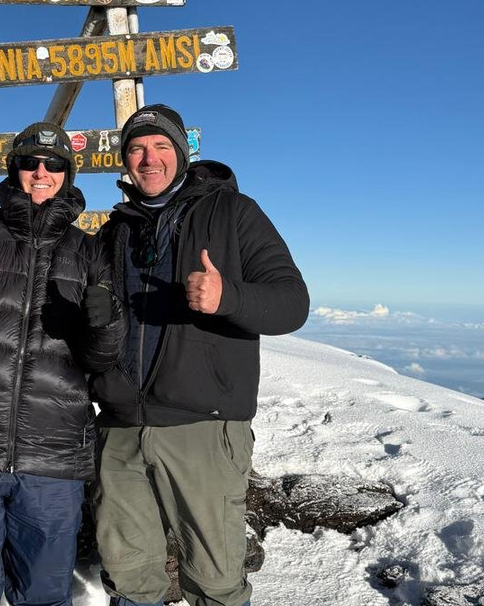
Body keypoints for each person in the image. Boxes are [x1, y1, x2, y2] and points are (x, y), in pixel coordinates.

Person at [91, 104, 309, 606]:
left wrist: (227, 297)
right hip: (121, 429)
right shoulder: (116, 230)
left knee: (214, 581)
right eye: (137, 148)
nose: (149, 159)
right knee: (129, 577)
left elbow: (292, 304)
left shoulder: (233, 213)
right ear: (125, 160)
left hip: (203, 428)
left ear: (183, 154)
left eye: (161, 146)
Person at [0, 122, 127, 606]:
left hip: (53, 456)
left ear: (68, 174)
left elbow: (101, 357)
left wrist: (106, 323)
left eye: (54, 164)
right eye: (30, 163)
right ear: (14, 170)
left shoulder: (91, 251)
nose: (41, 172)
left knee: (43, 594)